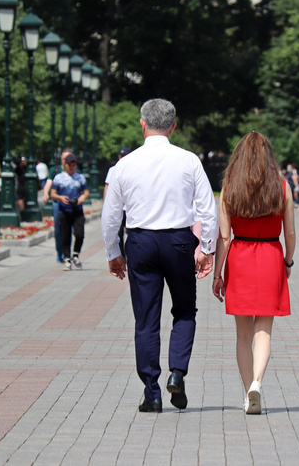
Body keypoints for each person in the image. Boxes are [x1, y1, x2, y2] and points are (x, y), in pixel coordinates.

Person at [101, 99, 218, 414]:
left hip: (140, 242)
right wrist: (206, 248)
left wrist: (113, 252)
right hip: (179, 241)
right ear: (173, 126)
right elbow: (208, 207)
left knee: (146, 319)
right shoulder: (188, 160)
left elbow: (111, 215)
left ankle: (151, 392)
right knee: (184, 310)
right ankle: (177, 371)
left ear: (142, 124)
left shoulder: (125, 164)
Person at [212, 131, 295, 414]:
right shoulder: (282, 188)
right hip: (271, 255)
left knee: (243, 335)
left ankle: (248, 392)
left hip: (240, 258)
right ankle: (257, 383)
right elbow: (290, 232)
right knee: (264, 331)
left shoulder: (229, 188)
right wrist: (288, 261)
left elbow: (223, 237)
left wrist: (217, 274)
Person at [51, 153, 89, 271]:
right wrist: (61, 198)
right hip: (64, 210)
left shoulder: (80, 177)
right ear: (65, 165)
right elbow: (52, 194)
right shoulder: (58, 178)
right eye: (70, 165)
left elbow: (86, 192)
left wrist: (82, 198)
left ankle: (76, 254)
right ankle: (67, 258)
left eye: (74, 165)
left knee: (79, 234)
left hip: (77, 210)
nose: (72, 167)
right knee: (65, 235)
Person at [44, 148, 72, 263]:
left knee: (69, 229)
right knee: (58, 229)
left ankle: (67, 253)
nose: (66, 160)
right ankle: (59, 252)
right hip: (58, 203)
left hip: (70, 204)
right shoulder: (55, 170)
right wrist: (46, 193)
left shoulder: (73, 170)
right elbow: (49, 182)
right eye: (64, 158)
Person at [103, 146, 132, 260]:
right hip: (118, 206)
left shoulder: (134, 167)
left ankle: (130, 253)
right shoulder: (113, 169)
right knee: (118, 232)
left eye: (125, 156)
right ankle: (121, 256)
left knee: (131, 232)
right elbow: (107, 186)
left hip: (129, 206)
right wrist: (106, 204)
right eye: (121, 156)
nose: (122, 158)